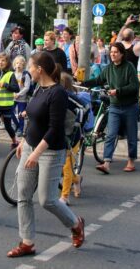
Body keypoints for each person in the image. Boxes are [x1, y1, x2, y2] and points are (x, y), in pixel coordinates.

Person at [7, 52, 85, 258]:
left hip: (50, 151)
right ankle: (27, 242)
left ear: (39, 69)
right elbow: (33, 119)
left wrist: (37, 152)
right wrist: (24, 141)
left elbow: (54, 128)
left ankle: (75, 224)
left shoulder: (57, 92)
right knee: (23, 195)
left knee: (47, 200)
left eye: (30, 66)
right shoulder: (38, 88)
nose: (28, 70)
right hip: (31, 147)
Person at [83, 42, 140, 173]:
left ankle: (131, 160)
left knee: (131, 135)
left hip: (130, 107)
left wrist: (118, 91)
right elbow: (98, 80)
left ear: (122, 54)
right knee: (110, 134)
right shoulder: (109, 68)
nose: (113, 54)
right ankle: (106, 162)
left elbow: (134, 86)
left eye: (116, 52)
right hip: (114, 106)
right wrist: (83, 83)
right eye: (111, 52)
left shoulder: (129, 67)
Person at [0, 54, 20, 158]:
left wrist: (6, 85)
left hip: (7, 105)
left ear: (7, 63)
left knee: (8, 126)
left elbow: (16, 88)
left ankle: (15, 142)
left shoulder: (11, 74)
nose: (0, 63)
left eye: (3, 61)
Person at [59, 73, 83, 204]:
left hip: (72, 138)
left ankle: (64, 196)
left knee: (67, 166)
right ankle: (77, 179)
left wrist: (76, 126)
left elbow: (84, 108)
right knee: (63, 167)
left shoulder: (71, 99)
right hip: (60, 136)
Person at [12, 56, 31, 138]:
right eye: (17, 63)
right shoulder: (12, 74)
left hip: (22, 99)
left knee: (21, 114)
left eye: (20, 63)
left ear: (24, 65)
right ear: (14, 64)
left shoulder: (25, 75)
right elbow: (10, 85)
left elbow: (27, 87)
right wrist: (13, 93)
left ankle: (20, 129)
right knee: (10, 111)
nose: (18, 65)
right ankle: (17, 125)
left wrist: (18, 94)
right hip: (13, 97)